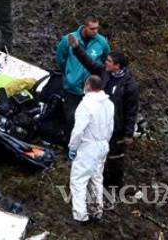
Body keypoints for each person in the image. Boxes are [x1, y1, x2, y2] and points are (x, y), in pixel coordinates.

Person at [69, 41, 139, 189]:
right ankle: (95, 181)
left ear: (117, 66)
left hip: (117, 128)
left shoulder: (130, 86)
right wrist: (76, 48)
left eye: (108, 61)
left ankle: (116, 186)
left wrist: (128, 133)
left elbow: (132, 111)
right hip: (100, 124)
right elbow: (90, 64)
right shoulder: (105, 72)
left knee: (115, 158)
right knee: (98, 155)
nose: (105, 63)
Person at [68, 75, 114, 223]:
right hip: (102, 145)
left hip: (88, 146)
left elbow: (78, 130)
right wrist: (105, 143)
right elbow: (110, 127)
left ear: (88, 86)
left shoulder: (86, 104)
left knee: (78, 180)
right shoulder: (109, 104)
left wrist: (73, 146)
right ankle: (97, 211)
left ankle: (80, 215)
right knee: (96, 178)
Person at [55, 17, 110, 132]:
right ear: (84, 27)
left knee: (88, 122)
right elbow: (60, 59)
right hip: (72, 88)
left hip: (91, 90)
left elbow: (106, 63)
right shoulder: (68, 39)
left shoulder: (102, 42)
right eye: (92, 29)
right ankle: (69, 146)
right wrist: (70, 75)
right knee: (71, 119)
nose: (95, 31)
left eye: (97, 28)